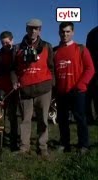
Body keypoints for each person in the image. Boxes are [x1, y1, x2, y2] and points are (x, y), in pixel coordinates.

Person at [10, 19, 54, 159]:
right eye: (30, 28)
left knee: (43, 120)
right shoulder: (17, 48)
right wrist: (14, 81)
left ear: (40, 30)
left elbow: (51, 67)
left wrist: (51, 84)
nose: (33, 31)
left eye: (36, 28)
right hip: (25, 90)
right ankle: (24, 147)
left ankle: (42, 147)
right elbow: (13, 69)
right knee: (25, 120)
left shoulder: (47, 46)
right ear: (26, 29)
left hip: (44, 90)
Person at [53, 22, 94, 154]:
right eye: (63, 32)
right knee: (62, 120)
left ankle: (84, 145)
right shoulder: (55, 51)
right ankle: (65, 144)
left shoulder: (81, 48)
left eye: (68, 31)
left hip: (78, 91)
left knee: (80, 119)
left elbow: (90, 69)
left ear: (73, 32)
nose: (65, 34)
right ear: (59, 33)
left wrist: (81, 84)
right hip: (61, 92)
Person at [0, 31, 19, 151]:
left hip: (12, 89)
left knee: (12, 117)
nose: (5, 44)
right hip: (0, 90)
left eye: (7, 42)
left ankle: (13, 142)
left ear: (12, 40)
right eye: (3, 43)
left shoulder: (17, 53)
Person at [86, 26, 98, 124]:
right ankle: (89, 117)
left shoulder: (92, 32)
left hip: (92, 67)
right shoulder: (93, 33)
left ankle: (90, 117)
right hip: (93, 68)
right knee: (92, 93)